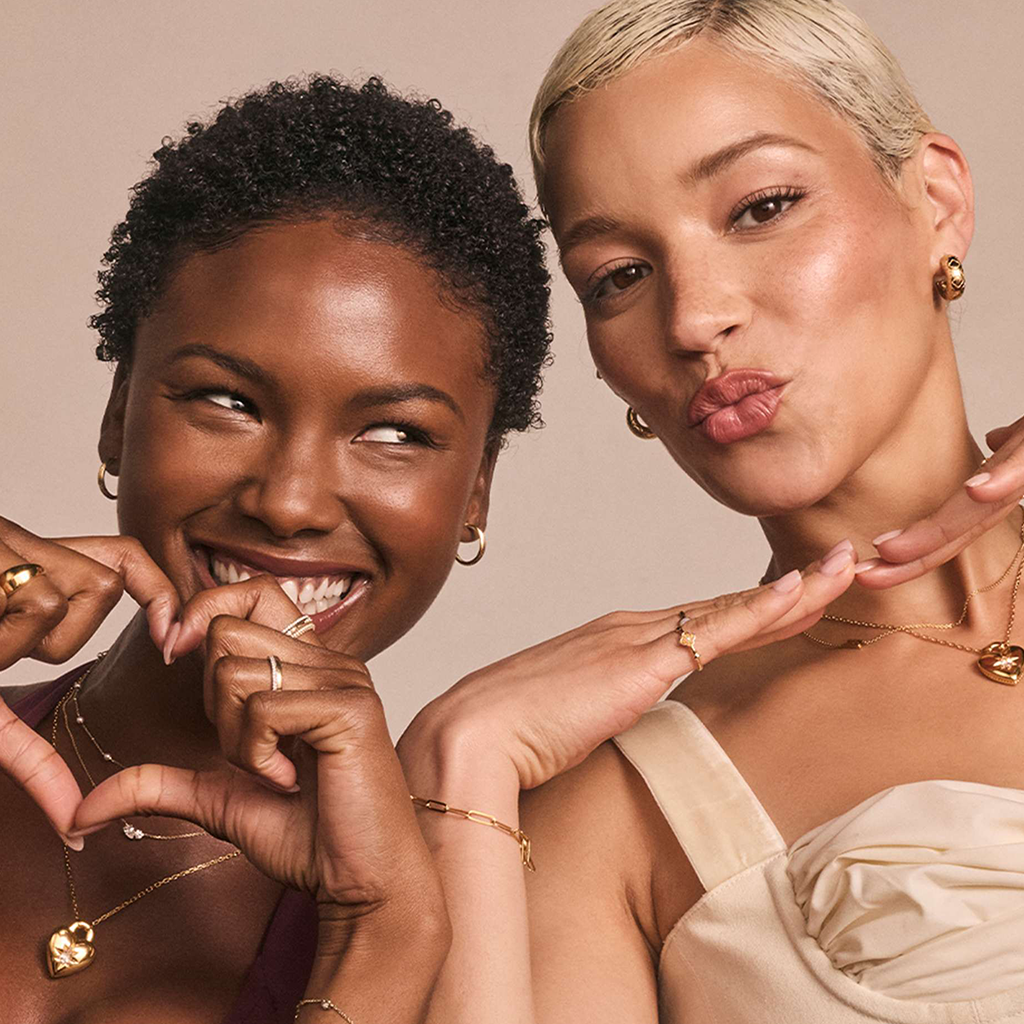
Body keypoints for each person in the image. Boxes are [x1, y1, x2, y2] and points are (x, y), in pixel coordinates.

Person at [396, 1, 1024, 1021]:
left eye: (762, 207)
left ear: (937, 199)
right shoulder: (614, 814)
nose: (693, 318)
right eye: (619, 277)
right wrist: (461, 755)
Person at [0, 75, 554, 1023]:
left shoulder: (489, 935)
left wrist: (381, 932)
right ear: (118, 414)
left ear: (476, 493)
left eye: (393, 433)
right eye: (229, 402)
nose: (289, 504)